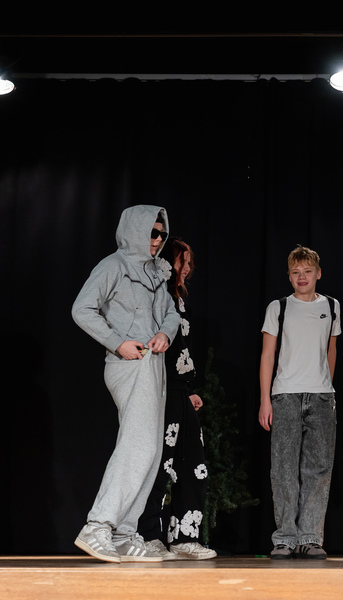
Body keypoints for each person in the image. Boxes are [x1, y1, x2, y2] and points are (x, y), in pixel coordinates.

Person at [72, 205, 181, 563]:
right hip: (129, 364)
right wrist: (117, 342)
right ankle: (98, 525)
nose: (158, 240)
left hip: (155, 364)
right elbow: (82, 309)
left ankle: (123, 533)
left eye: (162, 234)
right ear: (134, 230)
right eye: (152, 232)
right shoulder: (113, 266)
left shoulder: (156, 271)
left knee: (150, 451)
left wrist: (165, 333)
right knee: (136, 446)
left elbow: (170, 312)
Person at [258, 245, 340, 559]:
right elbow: (267, 355)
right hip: (286, 395)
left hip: (321, 396)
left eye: (307, 271)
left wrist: (327, 387)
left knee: (318, 469)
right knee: (283, 468)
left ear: (318, 273)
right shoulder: (278, 307)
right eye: (296, 272)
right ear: (289, 276)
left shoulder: (331, 305)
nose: (302, 277)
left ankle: (310, 537)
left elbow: (331, 349)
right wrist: (265, 400)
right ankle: (285, 538)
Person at [137, 238, 216, 561]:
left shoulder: (181, 301)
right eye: (182, 262)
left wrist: (191, 388)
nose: (186, 268)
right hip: (160, 390)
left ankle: (184, 537)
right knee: (160, 464)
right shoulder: (157, 298)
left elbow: (184, 350)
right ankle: (147, 535)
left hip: (181, 390)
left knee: (193, 464)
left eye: (188, 263)